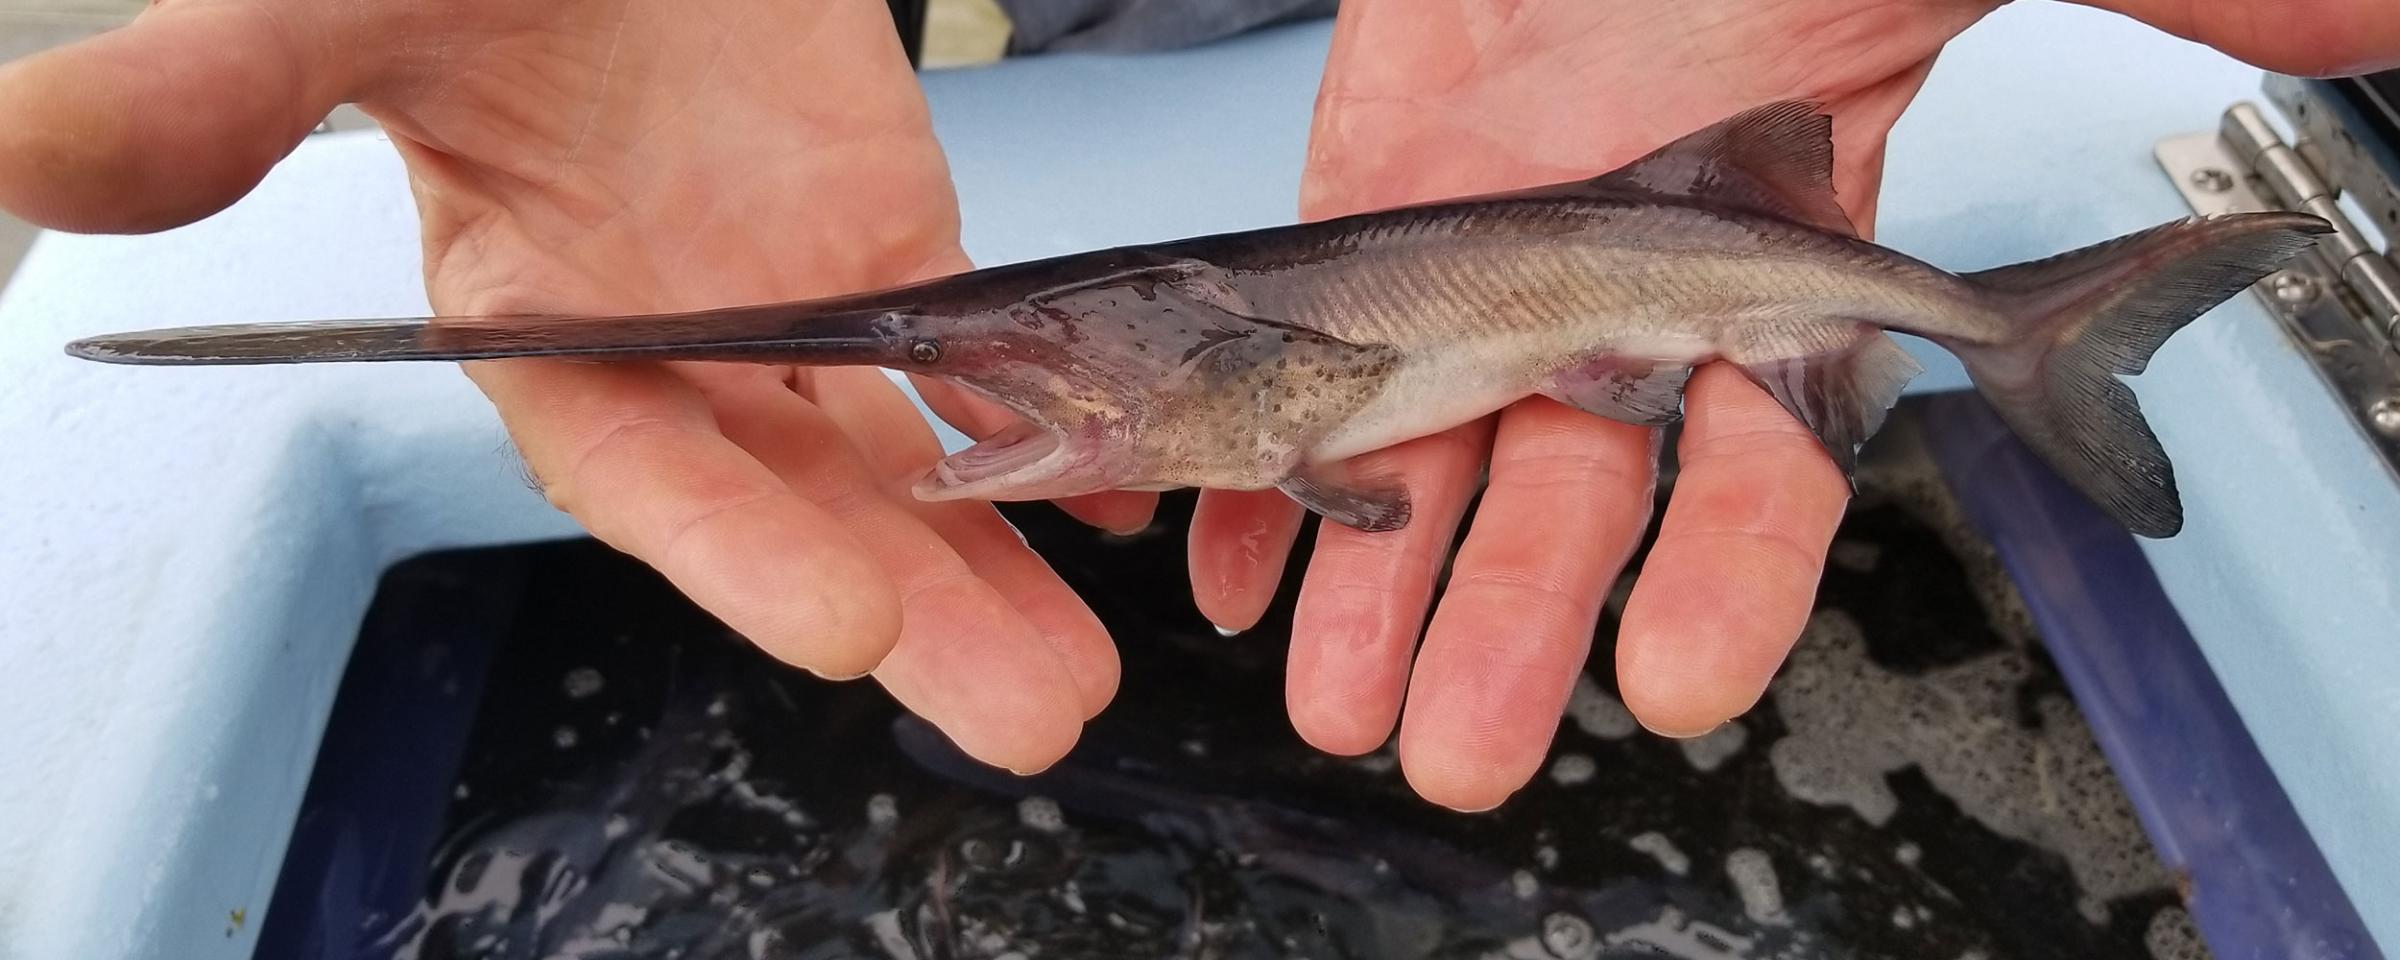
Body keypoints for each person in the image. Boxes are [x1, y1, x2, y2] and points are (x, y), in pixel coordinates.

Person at [3, 0, 2388, 812]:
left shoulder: (1290, 378)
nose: (968, 367)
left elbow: (1310, 411)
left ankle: (2048, 327)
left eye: (1001, 348)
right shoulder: (1260, 391)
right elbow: (1299, 424)